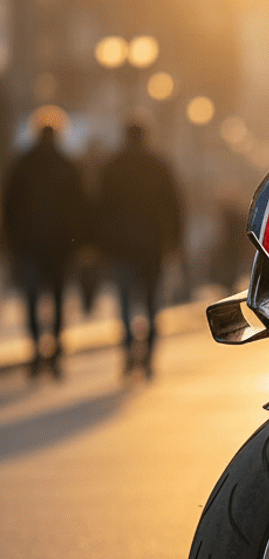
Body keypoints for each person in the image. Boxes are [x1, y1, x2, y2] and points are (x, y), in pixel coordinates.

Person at [1, 122, 88, 376]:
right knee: (58, 298)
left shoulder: (22, 164)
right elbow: (79, 207)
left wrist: (11, 241)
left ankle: (36, 349)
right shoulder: (67, 165)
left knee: (31, 297)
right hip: (60, 245)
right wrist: (78, 242)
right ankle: (57, 348)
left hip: (29, 244)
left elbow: (9, 206)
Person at [97, 122, 183, 374]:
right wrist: (173, 242)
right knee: (151, 302)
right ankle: (149, 354)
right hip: (152, 246)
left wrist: (104, 244)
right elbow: (174, 206)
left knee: (124, 303)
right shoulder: (159, 165)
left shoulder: (112, 167)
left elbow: (102, 209)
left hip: (122, 248)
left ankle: (127, 350)